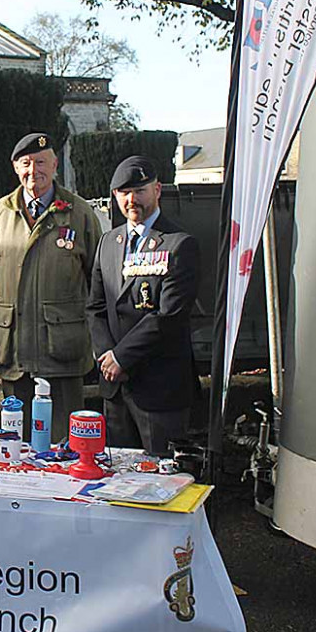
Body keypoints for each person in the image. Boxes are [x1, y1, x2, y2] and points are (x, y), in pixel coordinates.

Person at [0, 132, 102, 441]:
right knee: (15, 444)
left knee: (65, 446)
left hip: (61, 353)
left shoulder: (79, 213)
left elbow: (98, 283)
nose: (33, 170)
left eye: (41, 162)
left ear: (55, 164)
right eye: (26, 163)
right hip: (14, 354)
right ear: (15, 168)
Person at [85, 155, 201, 456]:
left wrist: (122, 358)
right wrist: (107, 358)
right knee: (118, 480)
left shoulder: (178, 244)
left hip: (159, 389)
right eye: (124, 192)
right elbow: (95, 308)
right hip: (116, 390)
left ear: (157, 190)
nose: (132, 199)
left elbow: (169, 316)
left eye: (140, 190)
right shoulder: (108, 242)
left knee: (162, 483)